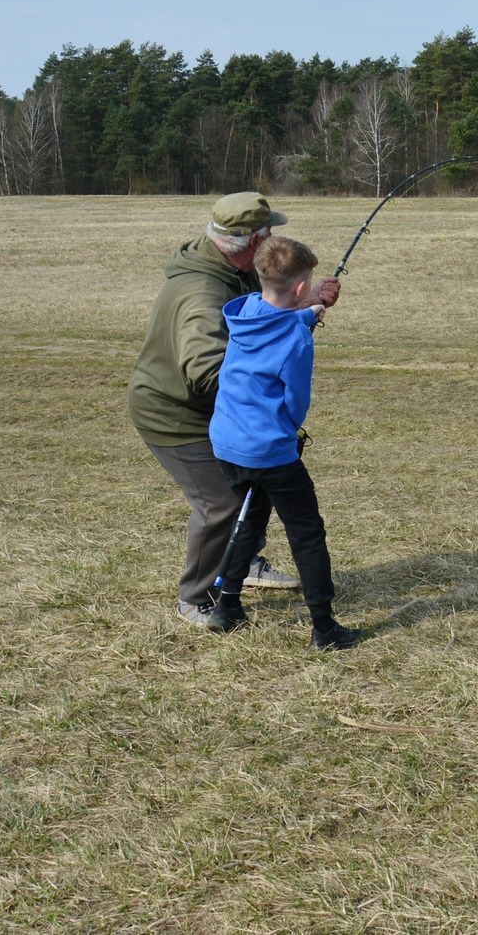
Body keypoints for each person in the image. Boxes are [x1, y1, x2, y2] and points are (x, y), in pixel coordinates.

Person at [129, 191, 336, 628]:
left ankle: (243, 564)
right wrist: (268, 406)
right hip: (175, 414)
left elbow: (261, 316)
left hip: (219, 416)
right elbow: (207, 373)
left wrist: (305, 304)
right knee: (224, 502)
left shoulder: (228, 265)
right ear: (253, 243)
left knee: (250, 488)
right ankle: (196, 599)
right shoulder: (202, 293)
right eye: (270, 233)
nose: (275, 237)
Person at [202, 237, 364, 651]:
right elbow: (295, 404)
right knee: (306, 533)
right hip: (270, 451)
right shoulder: (296, 340)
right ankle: (324, 629)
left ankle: (227, 607)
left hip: (226, 444)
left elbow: (278, 323)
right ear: (297, 288)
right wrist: (287, 431)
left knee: (251, 517)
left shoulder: (246, 314)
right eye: (306, 283)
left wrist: (309, 310)